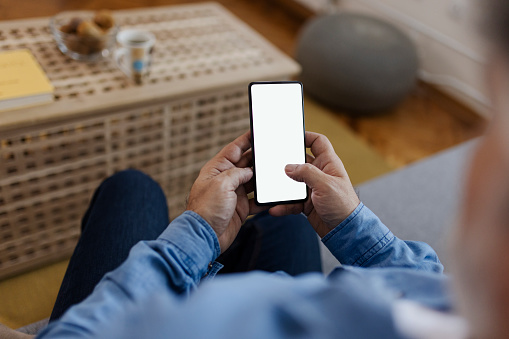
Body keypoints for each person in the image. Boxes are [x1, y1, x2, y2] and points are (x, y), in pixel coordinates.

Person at [2, 0, 507, 337]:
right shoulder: (455, 313)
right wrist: (350, 223)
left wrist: (198, 233)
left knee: (132, 188)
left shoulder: (251, 319)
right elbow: (426, 285)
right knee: (279, 215)